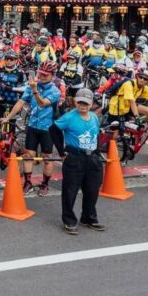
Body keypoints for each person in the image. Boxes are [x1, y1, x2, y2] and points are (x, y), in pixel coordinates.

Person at [1, 61, 62, 196]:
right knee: (28, 156)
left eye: (46, 75)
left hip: (48, 128)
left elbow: (42, 103)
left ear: (52, 75)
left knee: (47, 157)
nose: (42, 77)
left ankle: (45, 184)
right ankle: (28, 183)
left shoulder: (55, 91)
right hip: (32, 126)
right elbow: (21, 102)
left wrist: (34, 90)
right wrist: (8, 117)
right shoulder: (32, 86)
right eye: (40, 73)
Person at [55, 88, 103, 235]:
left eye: (86, 103)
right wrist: (62, 151)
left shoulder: (94, 117)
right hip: (75, 158)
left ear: (91, 104)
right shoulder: (69, 117)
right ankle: (69, 220)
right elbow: (53, 130)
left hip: (92, 158)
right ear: (75, 102)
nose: (83, 106)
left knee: (92, 190)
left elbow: (97, 135)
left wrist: (98, 152)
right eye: (80, 102)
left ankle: (88, 217)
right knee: (70, 191)